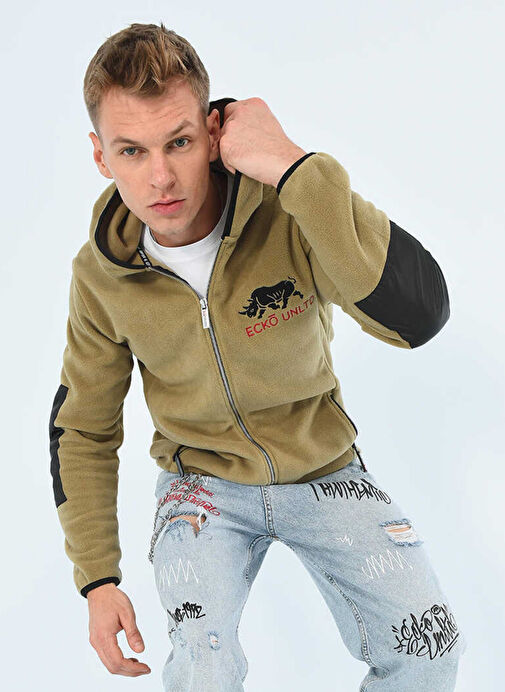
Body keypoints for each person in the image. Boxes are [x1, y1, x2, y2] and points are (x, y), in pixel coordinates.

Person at [49, 21, 466, 690]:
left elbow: (418, 318)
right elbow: (83, 428)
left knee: (429, 647)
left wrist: (296, 167)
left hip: (324, 471)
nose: (160, 177)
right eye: (131, 151)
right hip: (200, 486)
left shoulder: (292, 211)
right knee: (203, 666)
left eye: (179, 142)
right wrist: (97, 578)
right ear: (101, 156)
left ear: (214, 132)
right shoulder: (102, 275)